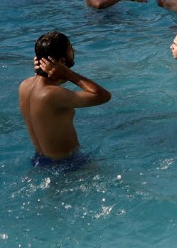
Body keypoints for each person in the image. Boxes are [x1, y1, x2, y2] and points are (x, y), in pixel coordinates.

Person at [19, 32, 111, 163]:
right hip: (67, 165)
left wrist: (46, 71)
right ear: (61, 61)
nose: (73, 51)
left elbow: (45, 82)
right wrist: (68, 73)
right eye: (70, 48)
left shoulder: (24, 86)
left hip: (40, 161)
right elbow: (103, 96)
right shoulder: (52, 94)